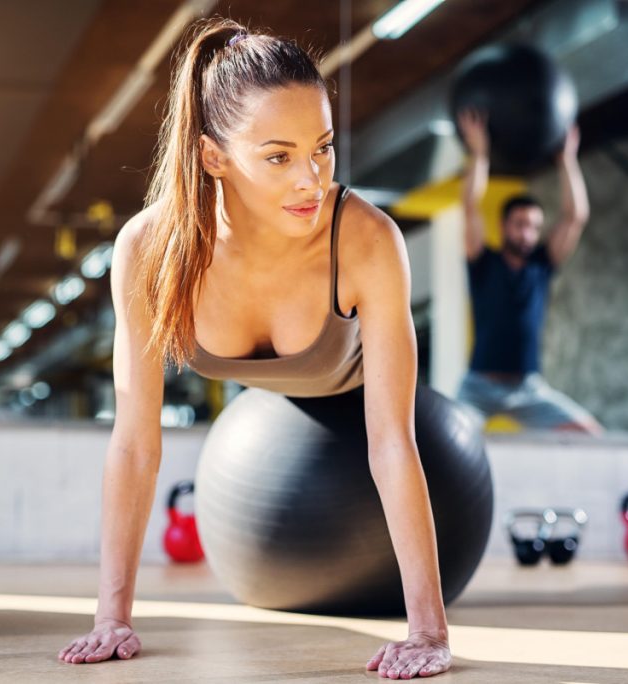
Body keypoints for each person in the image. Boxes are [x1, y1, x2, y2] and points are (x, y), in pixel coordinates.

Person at [58, 19, 453, 679]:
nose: (312, 179)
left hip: (399, 436)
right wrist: (112, 619)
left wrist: (429, 632)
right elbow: (134, 442)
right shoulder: (149, 251)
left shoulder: (366, 239)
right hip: (274, 437)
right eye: (279, 156)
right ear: (214, 157)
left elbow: (390, 440)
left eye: (323, 147)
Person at [456, 109, 603, 435]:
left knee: (589, 434)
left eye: (534, 227)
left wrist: (567, 160)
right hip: (478, 387)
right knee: (451, 440)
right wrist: (480, 154)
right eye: (520, 225)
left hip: (528, 389)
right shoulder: (482, 260)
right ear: (504, 226)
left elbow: (575, 215)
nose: (527, 233)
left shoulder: (542, 264)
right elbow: (469, 206)